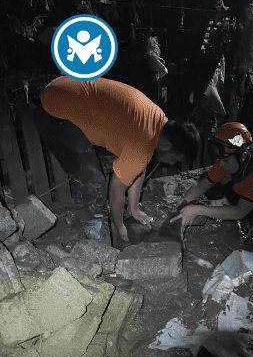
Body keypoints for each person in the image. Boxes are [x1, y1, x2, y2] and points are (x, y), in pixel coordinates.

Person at [39, 75, 200, 242]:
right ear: (168, 146)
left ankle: (97, 220)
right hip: (56, 107)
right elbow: (116, 190)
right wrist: (120, 226)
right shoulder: (143, 142)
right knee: (93, 180)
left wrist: (134, 209)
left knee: (106, 168)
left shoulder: (156, 119)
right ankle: (95, 234)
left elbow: (139, 168)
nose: (172, 164)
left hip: (65, 85)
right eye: (175, 159)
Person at [171, 122, 253, 238]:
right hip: (245, 193)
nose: (221, 164)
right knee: (212, 188)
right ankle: (223, 212)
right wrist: (183, 202)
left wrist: (198, 210)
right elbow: (203, 185)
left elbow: (239, 212)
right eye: (220, 159)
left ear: (243, 155)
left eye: (226, 160)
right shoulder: (228, 158)